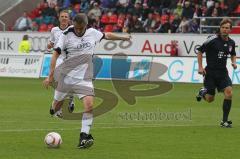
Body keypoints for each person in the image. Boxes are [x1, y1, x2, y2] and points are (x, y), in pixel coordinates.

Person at [43, 13, 131, 148]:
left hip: (84, 78)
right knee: (55, 107)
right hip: (66, 77)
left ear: (86, 25)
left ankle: (84, 137)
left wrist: (123, 37)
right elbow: (55, 55)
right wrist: (50, 76)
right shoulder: (66, 35)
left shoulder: (92, 33)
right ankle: (54, 106)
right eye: (77, 28)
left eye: (81, 28)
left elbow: (107, 35)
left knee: (89, 106)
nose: (78, 31)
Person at [196, 18, 237, 128]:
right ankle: (202, 92)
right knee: (210, 99)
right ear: (220, 28)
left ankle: (224, 121)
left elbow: (233, 53)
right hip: (210, 73)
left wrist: (234, 62)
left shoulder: (231, 42)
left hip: (223, 73)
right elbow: (200, 51)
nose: (224, 30)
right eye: (223, 27)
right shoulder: (212, 39)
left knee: (229, 93)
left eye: (227, 28)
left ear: (230, 29)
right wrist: (200, 67)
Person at [47, 10, 74, 117]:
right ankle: (59, 108)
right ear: (59, 18)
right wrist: (49, 45)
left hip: (71, 59)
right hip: (59, 58)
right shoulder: (54, 30)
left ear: (69, 19)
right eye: (62, 16)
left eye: (66, 17)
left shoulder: (72, 30)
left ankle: (70, 99)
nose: (64, 18)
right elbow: (52, 42)